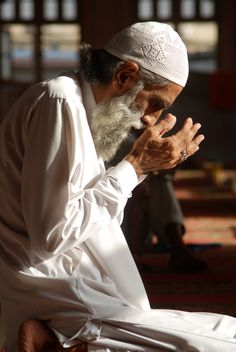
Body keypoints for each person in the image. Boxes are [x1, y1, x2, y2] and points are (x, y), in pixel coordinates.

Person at [0, 21, 236, 352]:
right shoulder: (60, 102)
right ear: (124, 75)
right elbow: (52, 235)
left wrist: (140, 169)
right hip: (61, 293)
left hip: (85, 291)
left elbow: (91, 216)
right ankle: (62, 340)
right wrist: (135, 166)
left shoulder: (84, 110)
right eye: (155, 103)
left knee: (227, 329)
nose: (151, 119)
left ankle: (60, 343)